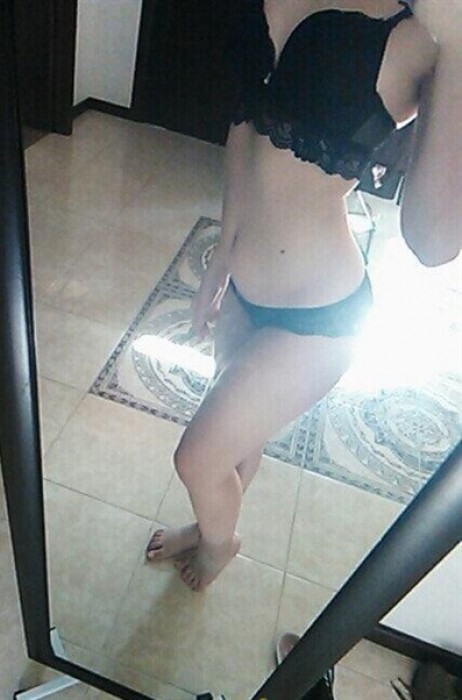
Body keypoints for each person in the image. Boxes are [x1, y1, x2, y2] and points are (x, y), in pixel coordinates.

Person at [146, 0, 462, 592]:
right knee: (236, 434)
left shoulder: (429, 30)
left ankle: (220, 543)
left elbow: (433, 240)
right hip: (245, 286)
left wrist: (461, 42)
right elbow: (245, 123)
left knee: (197, 458)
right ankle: (210, 524)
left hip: (318, 318)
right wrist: (223, 255)